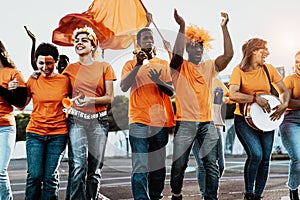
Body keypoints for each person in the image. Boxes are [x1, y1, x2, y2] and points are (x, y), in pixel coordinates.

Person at [169, 9, 233, 200]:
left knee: (211, 165)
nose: (197, 50)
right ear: (187, 49)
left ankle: (210, 198)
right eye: (193, 47)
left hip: (207, 124)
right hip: (185, 123)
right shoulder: (178, 67)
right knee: (179, 165)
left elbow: (228, 55)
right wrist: (182, 27)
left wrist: (224, 28)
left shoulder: (209, 67)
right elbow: (176, 53)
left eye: (200, 47)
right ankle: (176, 193)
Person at [228, 38, 290, 200]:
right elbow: (233, 94)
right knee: (256, 154)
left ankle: (258, 195)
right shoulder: (238, 71)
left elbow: (283, 90)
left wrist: (284, 104)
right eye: (264, 50)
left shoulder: (269, 69)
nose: (267, 54)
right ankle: (249, 193)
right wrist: (254, 98)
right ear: (254, 51)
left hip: (267, 120)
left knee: (265, 158)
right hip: (244, 120)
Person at [120, 27, 175, 200]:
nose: (149, 40)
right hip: (138, 120)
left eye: (151, 38)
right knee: (140, 165)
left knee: (158, 166)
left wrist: (158, 80)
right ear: (138, 43)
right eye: (144, 38)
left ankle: (155, 195)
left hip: (160, 121)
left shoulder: (163, 64)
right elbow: (123, 86)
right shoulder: (130, 64)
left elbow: (171, 92)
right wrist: (137, 65)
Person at [63, 26, 116, 199]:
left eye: (84, 40)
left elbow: (109, 98)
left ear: (93, 45)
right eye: (77, 41)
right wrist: (36, 73)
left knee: (94, 170)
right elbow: (56, 86)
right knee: (78, 166)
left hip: (99, 121)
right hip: (77, 121)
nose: (79, 43)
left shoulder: (105, 67)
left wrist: (91, 100)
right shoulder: (70, 69)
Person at [21, 42, 70, 199]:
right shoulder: (32, 80)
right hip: (35, 133)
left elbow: (75, 99)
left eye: (49, 63)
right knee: (34, 176)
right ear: (36, 62)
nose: (45, 67)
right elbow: (21, 105)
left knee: (50, 177)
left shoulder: (65, 81)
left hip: (58, 134)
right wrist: (14, 88)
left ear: (56, 61)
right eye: (41, 63)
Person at [192, 78, 232, 198]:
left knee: (221, 165)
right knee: (202, 164)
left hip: (216, 126)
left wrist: (222, 99)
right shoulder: (189, 80)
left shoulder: (215, 81)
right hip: (195, 127)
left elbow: (229, 97)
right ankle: (207, 195)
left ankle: (210, 190)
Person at [0, 40, 27, 200]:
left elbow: (21, 103)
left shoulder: (13, 73)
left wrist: (4, 90)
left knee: (0, 171)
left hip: (4, 128)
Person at [279, 51, 300, 200]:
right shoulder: (290, 80)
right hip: (291, 121)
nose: (299, 65)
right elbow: (285, 102)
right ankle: (293, 190)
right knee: (298, 157)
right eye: (297, 61)